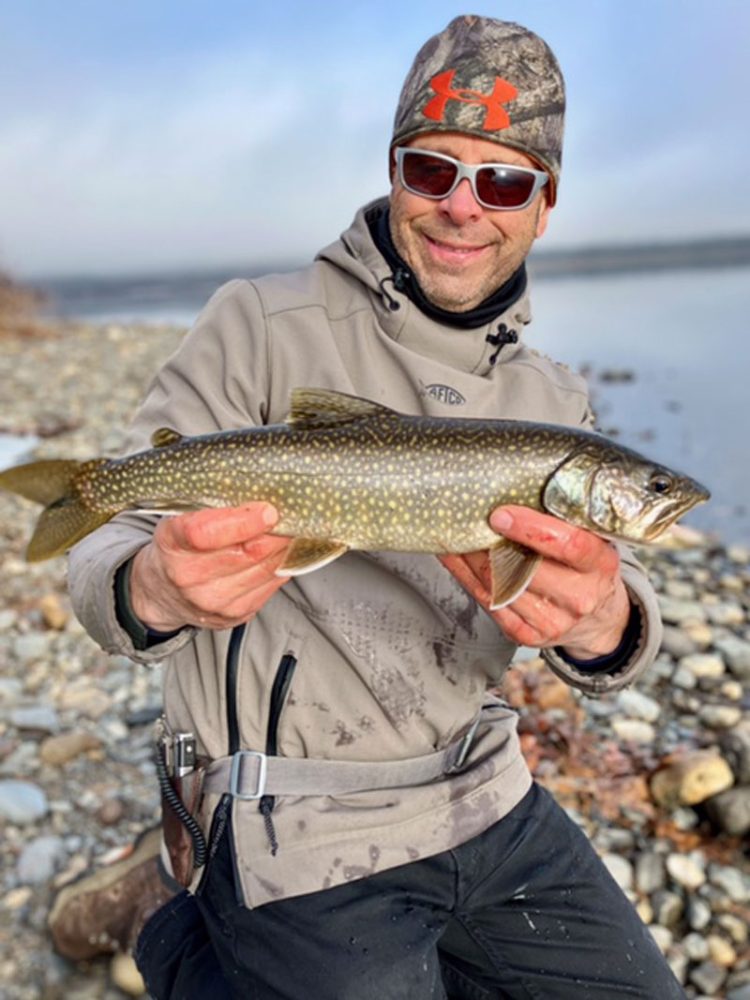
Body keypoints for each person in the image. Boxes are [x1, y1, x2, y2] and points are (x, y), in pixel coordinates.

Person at [51, 15, 687, 999]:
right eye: (434, 169)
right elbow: (107, 566)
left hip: (488, 789)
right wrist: (154, 586)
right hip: (293, 814)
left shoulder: (554, 402)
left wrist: (606, 621)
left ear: (544, 207)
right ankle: (179, 907)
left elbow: (614, 593)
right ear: (394, 169)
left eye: (505, 180)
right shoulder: (260, 325)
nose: (463, 207)